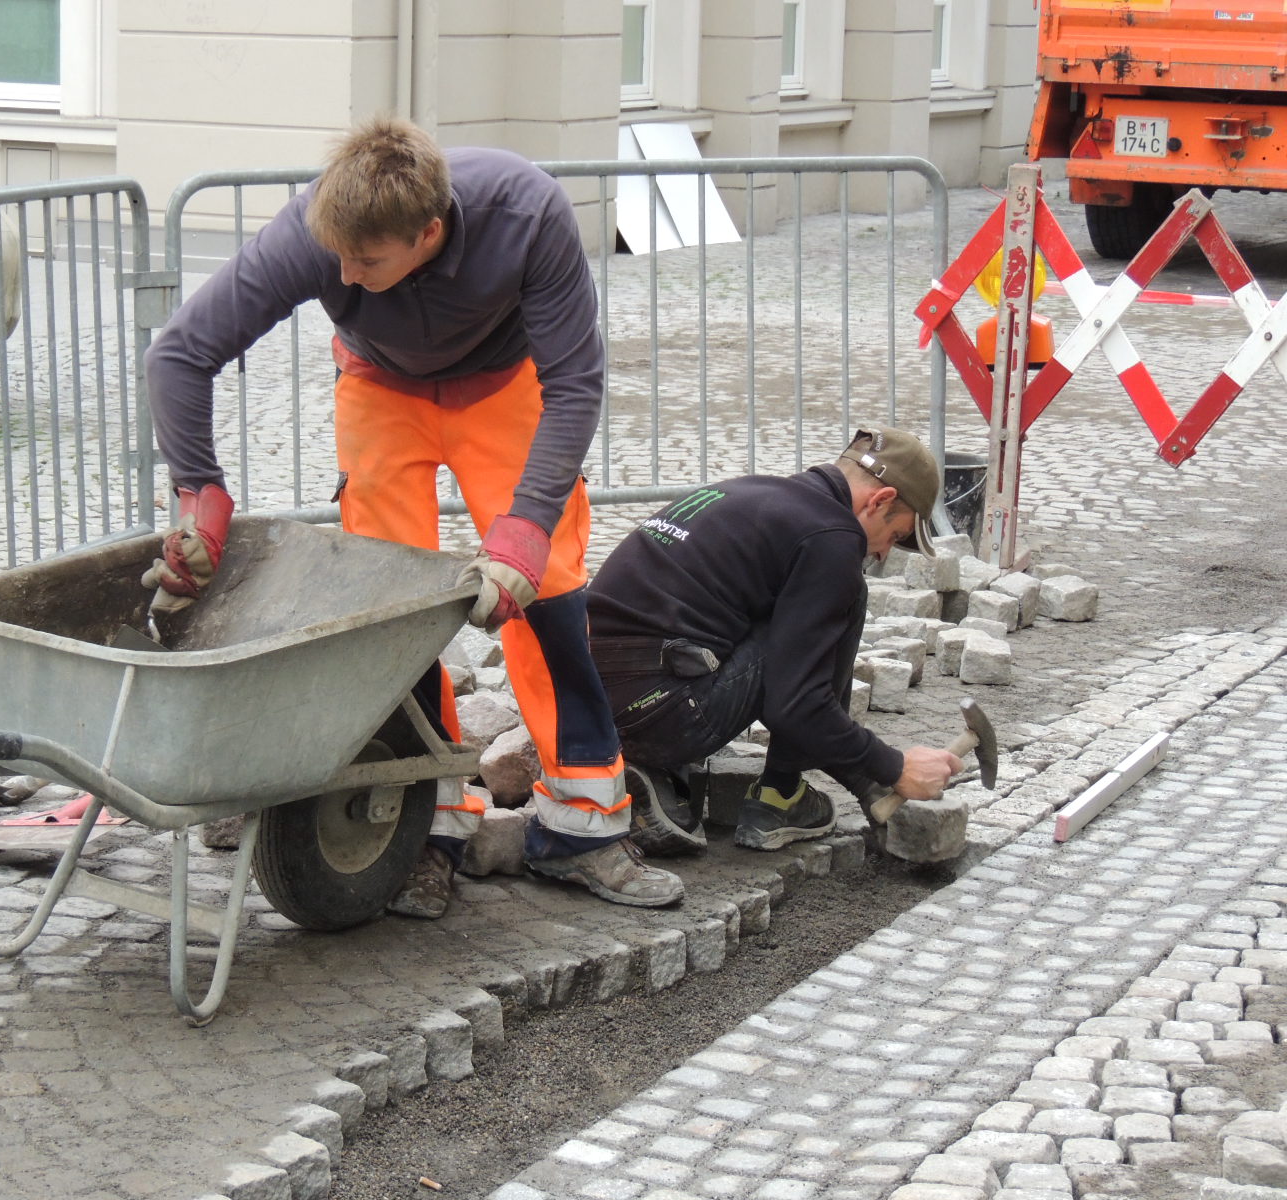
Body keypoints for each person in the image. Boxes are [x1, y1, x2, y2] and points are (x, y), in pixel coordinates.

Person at [141, 115, 684, 919]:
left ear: (428, 233)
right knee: (390, 609)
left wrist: (526, 529)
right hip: (381, 388)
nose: (344, 277)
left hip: (503, 388)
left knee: (548, 594)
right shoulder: (316, 232)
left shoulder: (528, 213)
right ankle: (428, 829)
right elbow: (179, 354)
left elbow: (574, 381)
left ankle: (582, 830)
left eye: (366, 261)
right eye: (339, 258)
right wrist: (201, 501)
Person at [586, 428, 965, 853]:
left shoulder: (750, 494)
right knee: (848, 596)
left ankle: (647, 766)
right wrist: (892, 768)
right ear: (880, 501)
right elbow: (796, 704)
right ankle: (779, 795)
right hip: (662, 715)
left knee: (784, 615)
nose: (881, 554)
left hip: (587, 710)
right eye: (894, 536)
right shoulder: (832, 538)